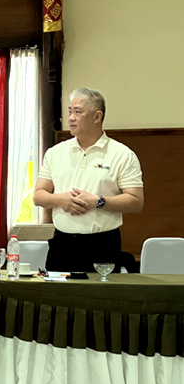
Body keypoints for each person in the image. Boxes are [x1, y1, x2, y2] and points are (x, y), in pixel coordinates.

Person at [33, 88, 144, 272]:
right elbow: (38, 195)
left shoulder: (122, 154)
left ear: (97, 116)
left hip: (102, 245)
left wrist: (98, 201)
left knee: (100, 291)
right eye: (70, 112)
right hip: (62, 245)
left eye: (78, 112)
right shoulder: (55, 153)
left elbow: (136, 201)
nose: (71, 118)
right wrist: (61, 200)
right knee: (55, 291)